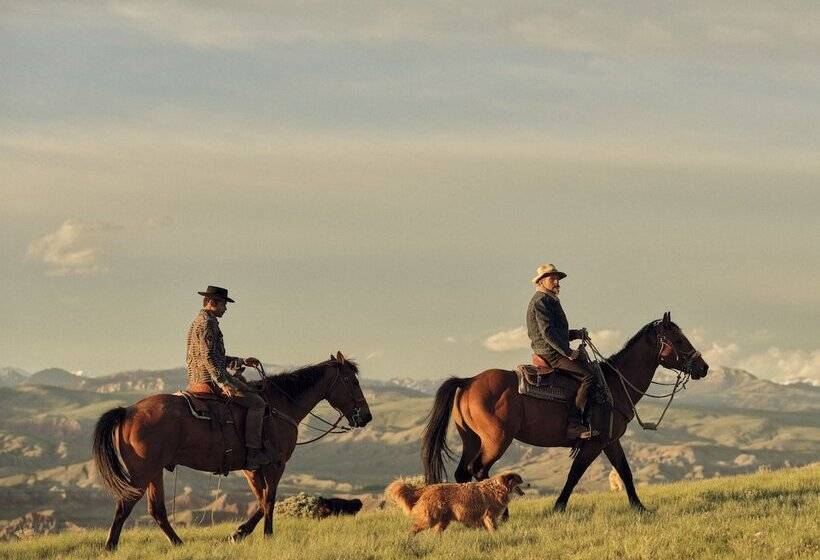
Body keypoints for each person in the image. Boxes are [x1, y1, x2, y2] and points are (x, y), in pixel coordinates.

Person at [186, 285, 270, 469]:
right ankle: (253, 454)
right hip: (208, 379)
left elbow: (215, 356)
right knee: (257, 403)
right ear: (212, 302)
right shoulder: (207, 324)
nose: (226, 308)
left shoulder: (199, 322)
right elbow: (208, 357)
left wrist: (242, 361)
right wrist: (223, 382)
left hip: (198, 377)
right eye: (224, 304)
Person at [526, 264, 598, 438]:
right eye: (553, 278)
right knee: (589, 376)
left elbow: (557, 331)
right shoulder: (541, 301)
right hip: (550, 353)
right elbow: (548, 333)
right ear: (542, 281)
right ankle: (573, 424)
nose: (557, 282)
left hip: (553, 350)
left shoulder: (549, 300)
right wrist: (568, 352)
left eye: (558, 279)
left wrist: (575, 334)